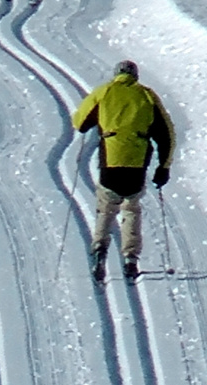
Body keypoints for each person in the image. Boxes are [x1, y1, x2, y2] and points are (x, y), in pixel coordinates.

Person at [71, 60, 174, 282]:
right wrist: (163, 167)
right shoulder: (147, 96)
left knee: (106, 208)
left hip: (111, 161)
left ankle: (99, 251)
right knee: (131, 208)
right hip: (136, 164)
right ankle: (130, 259)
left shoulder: (104, 92)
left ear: (116, 74)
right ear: (135, 76)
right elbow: (166, 134)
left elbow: (80, 123)